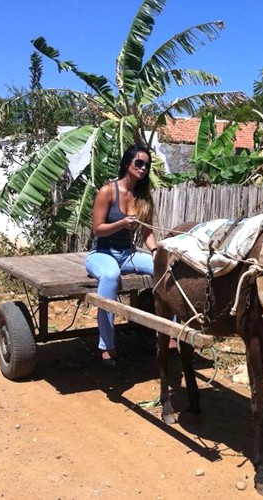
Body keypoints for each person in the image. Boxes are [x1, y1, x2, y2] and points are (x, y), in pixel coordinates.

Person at [85, 145, 157, 366]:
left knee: (165, 270)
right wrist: (122, 223)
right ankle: (106, 344)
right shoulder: (107, 191)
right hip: (101, 253)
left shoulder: (143, 197)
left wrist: (155, 252)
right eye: (139, 163)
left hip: (128, 254)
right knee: (110, 276)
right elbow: (97, 229)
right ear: (128, 164)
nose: (143, 168)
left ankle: (170, 334)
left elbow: (147, 232)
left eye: (147, 165)